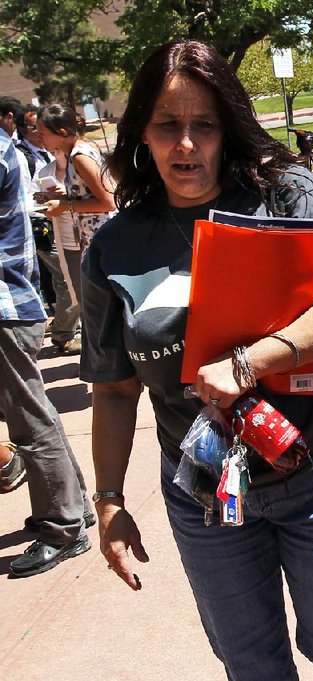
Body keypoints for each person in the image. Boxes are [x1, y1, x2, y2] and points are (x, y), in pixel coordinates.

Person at [80, 40, 313, 681]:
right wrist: (110, 501)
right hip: (208, 498)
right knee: (251, 666)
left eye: (205, 125)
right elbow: (114, 390)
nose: (187, 146)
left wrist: (251, 361)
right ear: (141, 130)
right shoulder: (115, 246)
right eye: (169, 126)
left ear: (229, 126)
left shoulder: (286, 194)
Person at [0, 119, 94, 576]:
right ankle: (72, 510)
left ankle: (63, 527)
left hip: (6, 307)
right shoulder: (7, 150)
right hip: (14, 303)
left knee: (28, 418)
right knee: (34, 412)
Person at [15, 104, 82, 355]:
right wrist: (51, 201)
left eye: (42, 130)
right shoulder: (36, 162)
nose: (38, 134)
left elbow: (105, 200)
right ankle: (66, 335)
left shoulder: (78, 157)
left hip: (83, 239)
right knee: (71, 287)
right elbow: (33, 199)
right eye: (34, 128)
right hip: (54, 235)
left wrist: (67, 200)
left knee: (77, 289)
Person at [36, 104, 116, 257]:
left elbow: (108, 203)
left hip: (105, 242)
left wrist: (65, 206)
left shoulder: (80, 157)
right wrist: (62, 197)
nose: (39, 138)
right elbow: (89, 194)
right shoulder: (75, 154)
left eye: (43, 134)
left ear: (61, 133)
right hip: (95, 240)